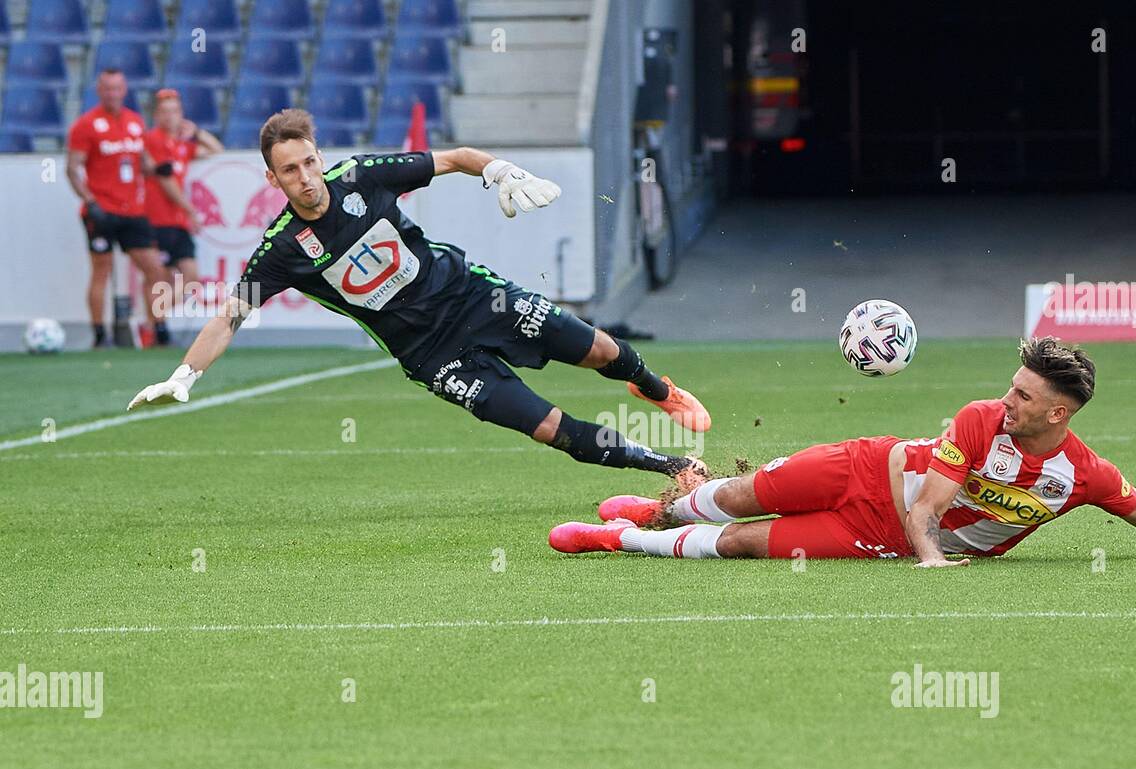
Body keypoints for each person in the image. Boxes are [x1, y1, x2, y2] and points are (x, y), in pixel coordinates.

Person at [125, 109, 710, 486]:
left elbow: (454, 159)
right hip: (433, 356)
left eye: (308, 162)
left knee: (601, 349)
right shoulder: (281, 249)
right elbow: (230, 316)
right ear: (272, 180)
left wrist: (499, 172)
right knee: (550, 428)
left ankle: (657, 389)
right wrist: (185, 375)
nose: (304, 177)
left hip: (476, 298)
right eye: (289, 170)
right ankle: (674, 467)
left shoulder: (362, 176)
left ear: (319, 158)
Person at [550, 337, 1136, 564]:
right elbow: (930, 505)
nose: (1007, 400)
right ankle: (658, 507)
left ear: (1059, 412)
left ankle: (617, 539)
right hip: (866, 466)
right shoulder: (977, 418)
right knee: (736, 494)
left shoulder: (1081, 475)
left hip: (874, 532)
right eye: (1011, 388)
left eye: (1023, 397)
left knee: (742, 543)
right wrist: (932, 562)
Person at [67, 69, 172, 347]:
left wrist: (158, 168)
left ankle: (159, 330)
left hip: (133, 211)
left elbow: (142, 163)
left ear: (124, 90)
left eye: (117, 88)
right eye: (107, 89)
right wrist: (90, 202)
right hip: (101, 209)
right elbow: (72, 169)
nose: (112, 94)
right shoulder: (86, 125)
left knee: (154, 268)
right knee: (101, 269)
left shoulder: (135, 122)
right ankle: (100, 335)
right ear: (99, 91)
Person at [142, 88, 223, 322]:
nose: (170, 117)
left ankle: (152, 320)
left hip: (177, 221)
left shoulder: (182, 145)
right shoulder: (153, 140)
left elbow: (216, 150)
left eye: (174, 111)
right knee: (160, 278)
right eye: (165, 112)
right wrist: (190, 210)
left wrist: (196, 131)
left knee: (191, 276)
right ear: (156, 115)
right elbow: (165, 180)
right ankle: (156, 327)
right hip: (157, 218)